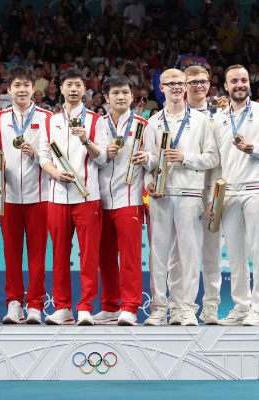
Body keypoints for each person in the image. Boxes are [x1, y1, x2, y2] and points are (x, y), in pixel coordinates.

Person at [209, 64, 259, 326]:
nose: (240, 85)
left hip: (257, 188)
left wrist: (255, 148)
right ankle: (241, 307)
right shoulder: (218, 119)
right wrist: (214, 196)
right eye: (234, 81)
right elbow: (216, 161)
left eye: (243, 80)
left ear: (249, 83)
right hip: (229, 192)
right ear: (226, 86)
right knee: (235, 254)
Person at [144, 68, 218, 326]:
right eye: (171, 83)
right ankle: (159, 309)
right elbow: (149, 160)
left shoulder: (201, 121)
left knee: (189, 254)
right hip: (161, 195)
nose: (176, 87)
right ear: (161, 88)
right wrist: (148, 182)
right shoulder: (153, 122)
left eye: (180, 83)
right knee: (158, 255)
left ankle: (186, 308)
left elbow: (212, 158)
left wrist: (185, 158)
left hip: (190, 193)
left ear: (185, 87)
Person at [38, 67, 109, 325]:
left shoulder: (96, 121)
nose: (74, 89)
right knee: (59, 255)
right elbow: (43, 155)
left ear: (84, 89)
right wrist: (55, 173)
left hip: (87, 198)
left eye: (78, 85)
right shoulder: (50, 121)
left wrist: (87, 141)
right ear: (61, 89)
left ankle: (86, 307)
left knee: (89, 256)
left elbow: (103, 158)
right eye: (69, 85)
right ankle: (63, 308)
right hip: (57, 197)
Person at [0, 66, 52, 324]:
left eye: (26, 85)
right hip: (9, 196)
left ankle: (36, 304)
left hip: (41, 194)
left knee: (38, 254)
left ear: (34, 88)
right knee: (11, 253)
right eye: (17, 85)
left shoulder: (48, 118)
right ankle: (14, 303)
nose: (22, 90)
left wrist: (36, 154)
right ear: (9, 89)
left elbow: (54, 155)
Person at [94, 75, 150, 326]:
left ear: (132, 96)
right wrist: (104, 154)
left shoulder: (143, 125)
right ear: (106, 97)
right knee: (105, 257)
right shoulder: (97, 124)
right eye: (115, 93)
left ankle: (130, 307)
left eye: (125, 92)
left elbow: (155, 159)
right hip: (100, 200)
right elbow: (91, 158)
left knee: (129, 257)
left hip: (130, 198)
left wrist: (147, 158)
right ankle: (110, 306)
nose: (121, 97)